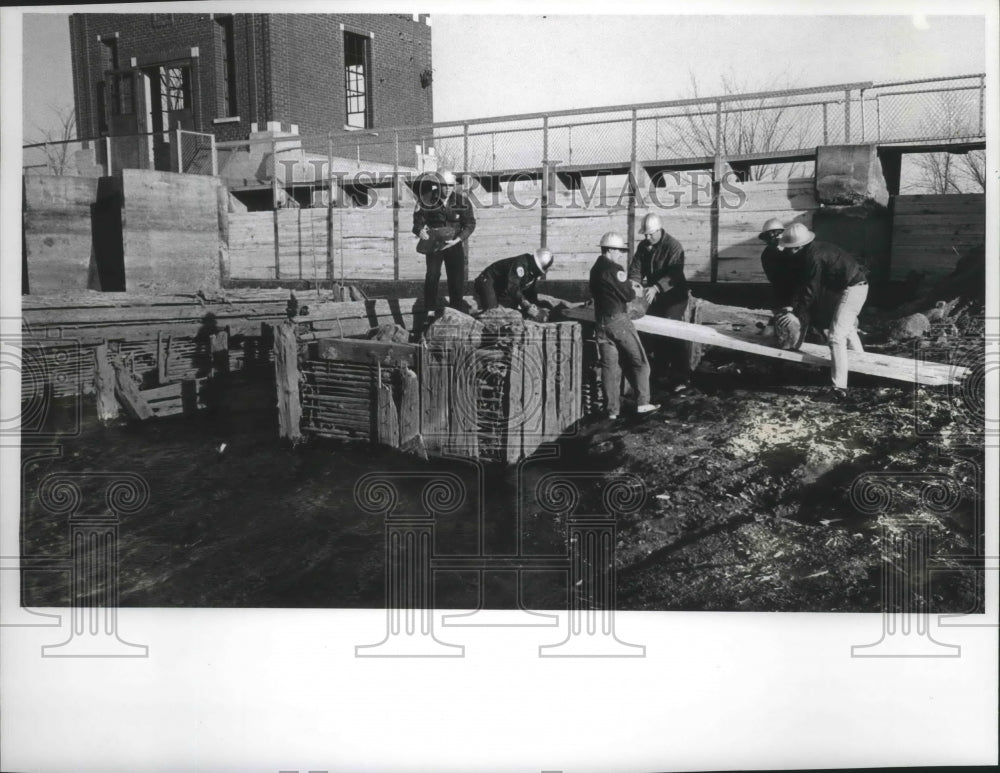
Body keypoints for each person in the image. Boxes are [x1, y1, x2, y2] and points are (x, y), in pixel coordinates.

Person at [778, 223, 869, 400]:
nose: (788, 251)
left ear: (797, 247)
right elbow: (805, 285)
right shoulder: (811, 250)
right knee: (846, 328)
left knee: (836, 336)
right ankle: (864, 370)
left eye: (790, 248)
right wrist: (792, 305)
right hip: (844, 287)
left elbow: (811, 289)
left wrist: (795, 312)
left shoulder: (813, 257)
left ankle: (838, 389)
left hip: (853, 288)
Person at [590, 231, 660, 420]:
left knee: (609, 368)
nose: (620, 254)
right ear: (610, 249)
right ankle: (644, 403)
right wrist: (632, 287)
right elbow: (629, 295)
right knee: (641, 362)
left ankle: (612, 411)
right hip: (618, 321)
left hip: (601, 323)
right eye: (619, 250)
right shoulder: (614, 269)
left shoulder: (595, 269)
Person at [627, 212, 691, 393]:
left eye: (650, 234)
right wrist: (634, 284)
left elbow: (674, 274)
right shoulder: (644, 246)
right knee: (655, 332)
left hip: (675, 295)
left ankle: (681, 376)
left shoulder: (674, 246)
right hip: (654, 295)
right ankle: (661, 372)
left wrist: (656, 287)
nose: (647, 237)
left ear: (659, 230)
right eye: (645, 234)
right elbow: (636, 269)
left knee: (672, 332)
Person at [412, 170, 476, 315]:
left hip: (454, 244)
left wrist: (459, 239)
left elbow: (470, 224)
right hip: (435, 245)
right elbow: (417, 222)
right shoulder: (426, 200)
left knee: (456, 278)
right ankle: (429, 311)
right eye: (444, 186)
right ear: (437, 185)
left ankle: (456, 311)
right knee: (432, 276)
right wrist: (420, 230)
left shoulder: (462, 201)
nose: (448, 189)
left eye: (451, 186)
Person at [473, 249, 554, 319]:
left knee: (511, 312)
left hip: (503, 285)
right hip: (488, 279)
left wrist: (534, 305)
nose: (539, 274)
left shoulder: (533, 272)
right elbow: (513, 287)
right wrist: (526, 304)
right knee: (492, 312)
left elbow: (530, 291)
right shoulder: (520, 265)